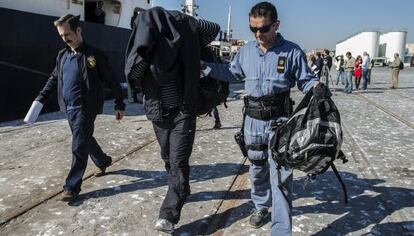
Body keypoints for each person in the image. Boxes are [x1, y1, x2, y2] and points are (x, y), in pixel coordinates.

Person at [204, 2, 318, 235]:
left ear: (276, 24)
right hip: (253, 122)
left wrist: (316, 87)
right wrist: (205, 67)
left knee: (282, 177)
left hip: (280, 123)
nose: (258, 34)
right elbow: (232, 72)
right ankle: (260, 206)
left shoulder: (292, 51)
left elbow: (305, 80)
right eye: (252, 29)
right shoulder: (245, 51)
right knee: (256, 169)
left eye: (263, 29)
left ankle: (281, 230)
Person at [125, 7, 220, 234]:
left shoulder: (184, 32)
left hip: (184, 110)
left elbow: (214, 30)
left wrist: (184, 21)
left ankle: (169, 213)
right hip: (157, 112)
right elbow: (133, 75)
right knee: (168, 157)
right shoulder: (144, 54)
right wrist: (145, 56)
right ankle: (180, 186)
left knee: (178, 161)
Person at [35, 14, 125, 201]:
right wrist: (40, 99)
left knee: (78, 145)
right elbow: (54, 80)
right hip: (68, 107)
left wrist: (119, 103)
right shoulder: (62, 55)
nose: (64, 38)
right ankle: (103, 161)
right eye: (61, 35)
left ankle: (72, 186)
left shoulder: (94, 54)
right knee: (84, 139)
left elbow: (111, 79)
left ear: (78, 30)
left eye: (67, 34)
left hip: (87, 107)